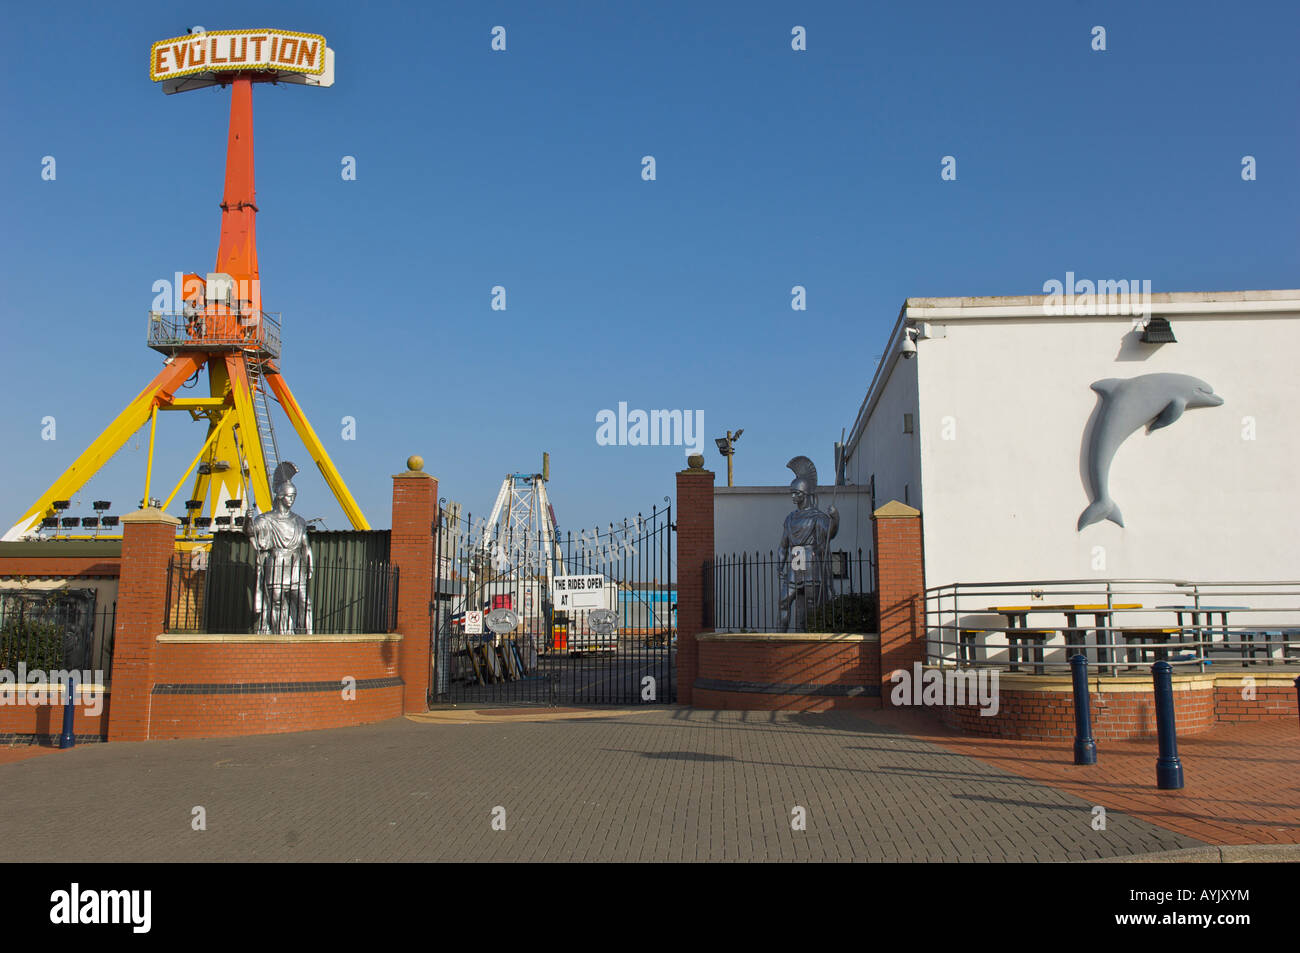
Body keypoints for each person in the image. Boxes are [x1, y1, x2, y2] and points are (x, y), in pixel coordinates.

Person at [246, 462, 313, 634]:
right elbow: (251, 532)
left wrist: (310, 563)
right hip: (276, 563)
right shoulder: (265, 519)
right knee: (276, 601)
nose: (292, 500)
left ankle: (306, 632)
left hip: (296, 564)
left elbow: (305, 545)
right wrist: (247, 519)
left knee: (304, 602)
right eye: (289, 496)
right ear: (280, 496)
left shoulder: (299, 520)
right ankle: (280, 632)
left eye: (294, 496)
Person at [778, 456, 838, 632]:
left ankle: (811, 635)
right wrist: (779, 565)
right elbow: (783, 545)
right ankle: (780, 635)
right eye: (792, 493)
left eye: (796, 493)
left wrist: (835, 518)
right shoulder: (790, 518)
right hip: (796, 560)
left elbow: (829, 534)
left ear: (805, 494)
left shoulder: (817, 517)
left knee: (812, 605)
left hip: (811, 563)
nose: (793, 496)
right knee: (784, 601)